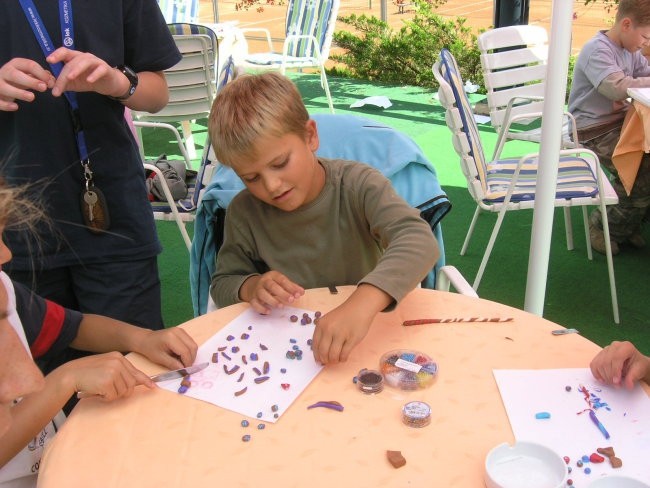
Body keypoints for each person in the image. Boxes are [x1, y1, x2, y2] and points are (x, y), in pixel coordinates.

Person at [207, 72, 439, 365]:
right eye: (251, 178)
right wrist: (252, 287)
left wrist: (361, 305)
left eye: (280, 163)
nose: (271, 186)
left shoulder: (358, 185)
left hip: (366, 340)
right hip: (287, 354)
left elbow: (419, 240)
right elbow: (224, 282)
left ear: (310, 136)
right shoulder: (244, 211)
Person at [0, 0, 181, 346]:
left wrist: (116, 81)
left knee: (135, 377)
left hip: (115, 215)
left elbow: (157, 94)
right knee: (42, 390)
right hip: (17, 230)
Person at [0, 181, 198, 487]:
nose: (7, 254)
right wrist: (61, 382)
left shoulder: (6, 292)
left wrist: (140, 338)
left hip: (52, 465)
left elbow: (72, 325)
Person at [568, 0, 650, 256]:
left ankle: (629, 221)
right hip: (593, 129)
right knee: (639, 172)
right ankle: (603, 226)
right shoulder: (597, 50)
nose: (645, 44)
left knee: (644, 165)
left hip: (619, 122)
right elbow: (616, 86)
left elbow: (644, 73)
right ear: (626, 24)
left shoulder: (632, 48)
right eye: (645, 36)